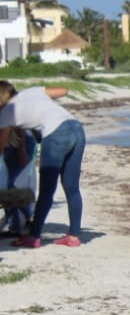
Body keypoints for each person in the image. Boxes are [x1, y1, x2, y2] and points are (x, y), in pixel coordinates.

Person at [0, 82, 85, 248]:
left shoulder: (6, 113)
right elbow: (64, 90)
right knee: (72, 187)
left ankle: (34, 236)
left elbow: (0, 148)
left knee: (47, 189)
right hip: (76, 126)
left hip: (55, 133)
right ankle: (74, 236)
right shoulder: (31, 92)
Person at [2, 128, 37, 235]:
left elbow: (17, 125)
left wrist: (22, 150)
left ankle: (29, 217)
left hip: (19, 141)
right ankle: (17, 224)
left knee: (8, 186)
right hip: (11, 142)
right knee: (8, 186)